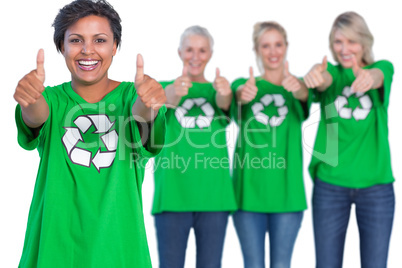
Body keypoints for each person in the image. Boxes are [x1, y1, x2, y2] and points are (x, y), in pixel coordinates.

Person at [13, 0, 167, 267]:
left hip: (119, 250)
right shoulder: (51, 99)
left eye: (99, 40)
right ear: (61, 47)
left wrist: (147, 101)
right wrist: (30, 98)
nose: (87, 50)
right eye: (75, 40)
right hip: (55, 248)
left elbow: (142, 115)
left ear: (115, 46)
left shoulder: (131, 96)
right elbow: (36, 115)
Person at [304, 11, 395, 268]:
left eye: (352, 41)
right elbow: (324, 82)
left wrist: (369, 77)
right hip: (330, 186)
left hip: (376, 188)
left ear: (365, 42)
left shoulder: (383, 68)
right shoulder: (331, 73)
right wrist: (316, 76)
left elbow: (379, 75)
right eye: (338, 42)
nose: (344, 49)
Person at [151, 25, 237, 268]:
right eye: (190, 49)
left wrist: (224, 92)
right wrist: (174, 92)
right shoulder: (162, 86)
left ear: (210, 54)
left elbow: (225, 105)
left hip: (214, 199)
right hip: (172, 197)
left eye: (202, 50)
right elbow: (161, 104)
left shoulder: (218, 90)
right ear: (179, 52)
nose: (195, 56)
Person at [231, 21, 309, 268]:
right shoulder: (243, 86)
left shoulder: (298, 87)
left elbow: (306, 98)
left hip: (288, 196)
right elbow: (236, 98)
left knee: (281, 265)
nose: (273, 51)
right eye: (266, 46)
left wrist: (300, 89)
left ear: (286, 47)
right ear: (257, 49)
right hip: (248, 196)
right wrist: (242, 94)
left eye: (278, 45)